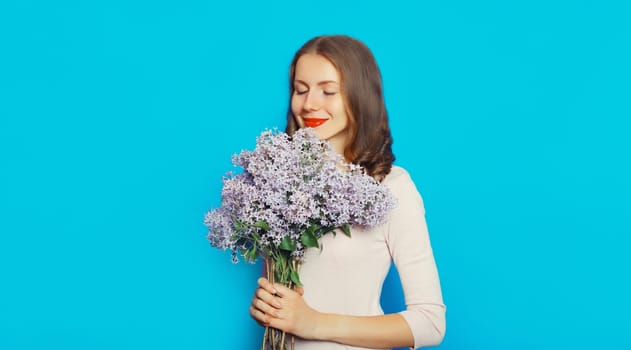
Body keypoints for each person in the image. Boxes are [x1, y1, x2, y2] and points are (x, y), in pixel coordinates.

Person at [249, 35, 446, 349]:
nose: (309, 103)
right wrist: (272, 308)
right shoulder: (280, 184)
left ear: (360, 96)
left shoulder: (392, 186)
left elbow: (430, 323)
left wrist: (312, 322)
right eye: (300, 90)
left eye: (328, 91)